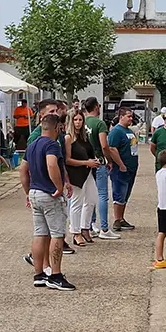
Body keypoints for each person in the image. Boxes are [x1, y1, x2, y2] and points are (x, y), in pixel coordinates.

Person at [21, 114, 75, 291]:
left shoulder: (32, 145)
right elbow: (52, 164)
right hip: (49, 193)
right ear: (57, 127)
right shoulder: (52, 145)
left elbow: (23, 171)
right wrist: (59, 187)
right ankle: (56, 275)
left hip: (35, 192)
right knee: (57, 234)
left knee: (40, 234)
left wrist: (28, 192)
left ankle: (39, 274)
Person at [84, 97, 120, 241]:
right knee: (102, 195)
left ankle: (90, 224)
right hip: (98, 160)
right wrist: (109, 160)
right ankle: (104, 227)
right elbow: (104, 145)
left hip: (85, 162)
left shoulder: (81, 122)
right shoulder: (100, 123)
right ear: (96, 107)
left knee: (88, 196)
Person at [65, 110, 101, 246]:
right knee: (76, 202)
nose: (78, 123)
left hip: (88, 172)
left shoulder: (85, 137)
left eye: (80, 120)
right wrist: (86, 163)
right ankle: (75, 232)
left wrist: (94, 160)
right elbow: (68, 160)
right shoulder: (69, 138)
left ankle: (85, 227)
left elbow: (89, 153)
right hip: (76, 174)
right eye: (75, 120)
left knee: (92, 199)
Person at [107, 108, 139, 231]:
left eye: (131, 117)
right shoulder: (116, 131)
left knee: (126, 194)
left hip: (131, 168)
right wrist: (121, 164)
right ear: (121, 117)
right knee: (119, 193)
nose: (131, 119)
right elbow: (112, 149)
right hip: (121, 169)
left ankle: (121, 218)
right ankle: (116, 219)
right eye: (128, 116)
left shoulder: (129, 131)